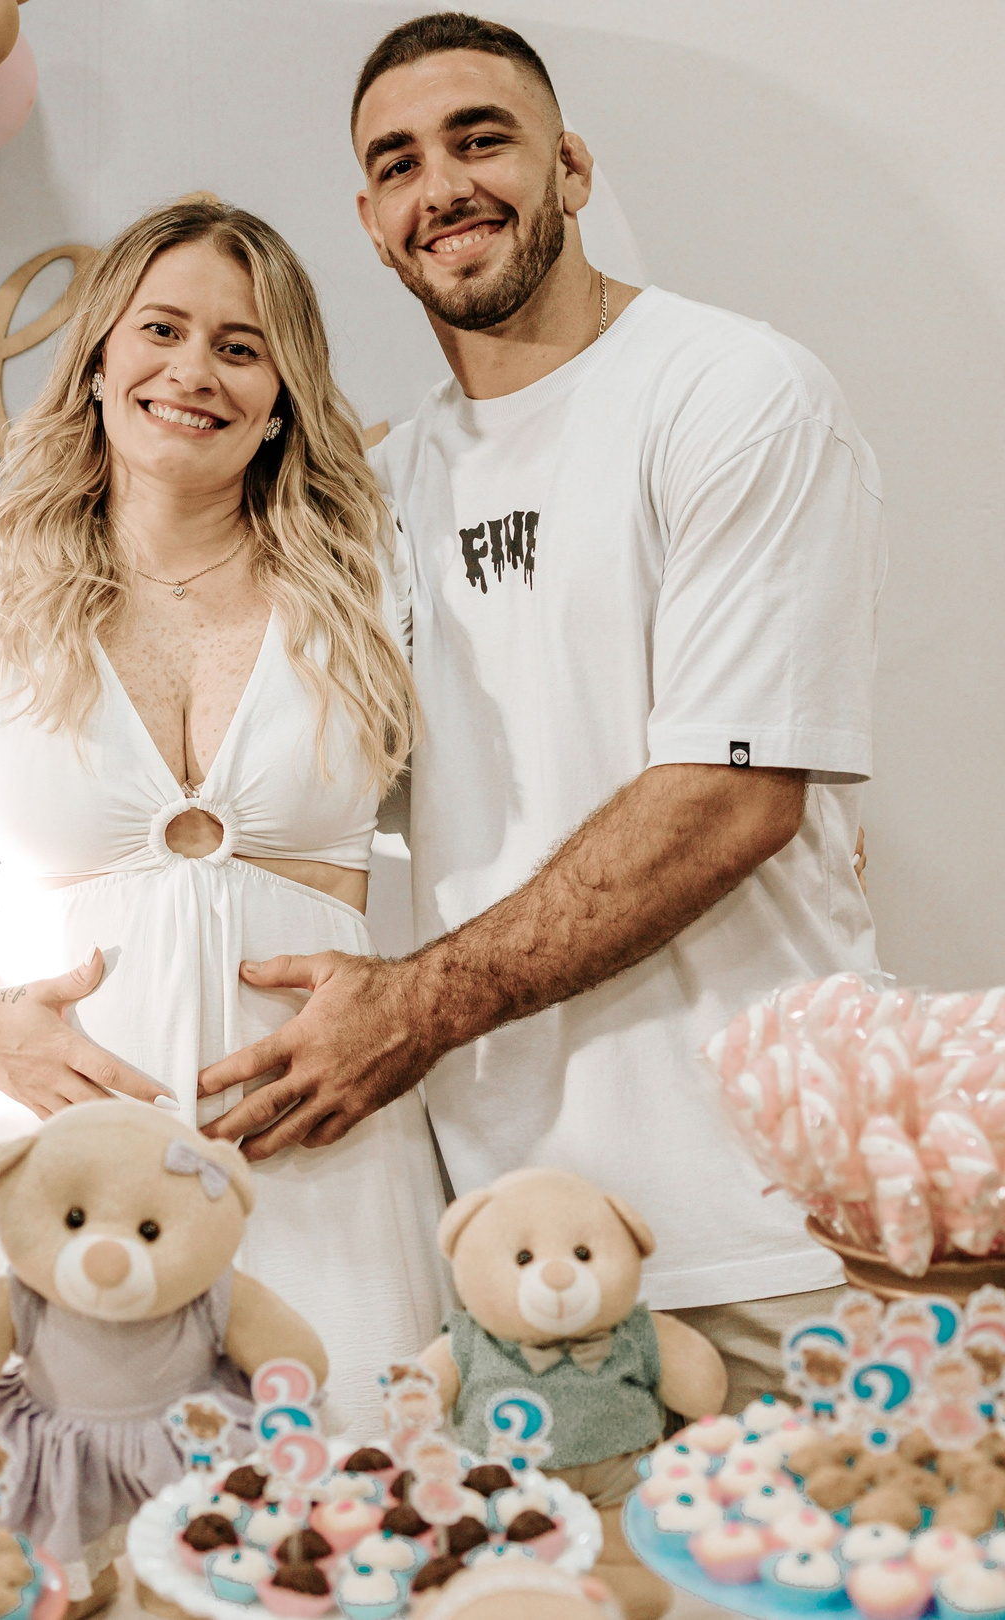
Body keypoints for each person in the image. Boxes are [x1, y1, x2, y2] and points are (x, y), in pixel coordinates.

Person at [198, 14, 885, 1416]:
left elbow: (731, 801)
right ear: (373, 224)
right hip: (503, 1244)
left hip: (763, 1221)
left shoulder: (730, 392)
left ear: (571, 167)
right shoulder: (384, 485)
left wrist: (410, 1011)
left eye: (481, 139)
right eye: (398, 163)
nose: (441, 184)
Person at [0, 197, 450, 1442]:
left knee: (346, 1521)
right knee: (33, 1547)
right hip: (36, 1159)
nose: (193, 372)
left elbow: (486, 836)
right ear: (101, 358)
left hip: (313, 1144)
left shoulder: (380, 590)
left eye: (240, 345)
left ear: (284, 392)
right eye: (160, 329)